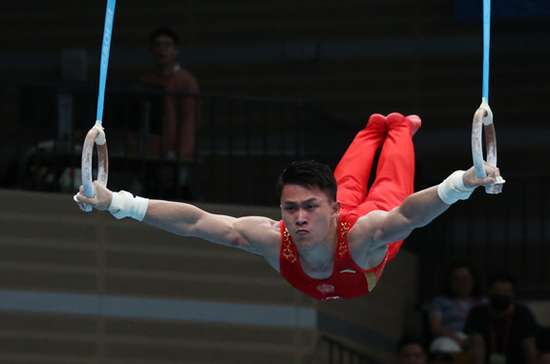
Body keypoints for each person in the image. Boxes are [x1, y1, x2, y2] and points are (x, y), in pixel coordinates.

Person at [74, 112, 504, 301]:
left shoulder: (363, 234)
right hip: (342, 216)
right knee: (348, 179)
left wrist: (464, 181)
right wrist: (119, 202)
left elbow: (411, 214)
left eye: (310, 207)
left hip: (366, 235)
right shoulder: (270, 238)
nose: (299, 217)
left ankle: (399, 129)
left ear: (331, 210)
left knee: (389, 186)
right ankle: (372, 130)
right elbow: (196, 221)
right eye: (290, 208)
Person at [138, 27, 199, 160]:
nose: (162, 49)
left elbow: (188, 118)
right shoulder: (147, 80)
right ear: (151, 50)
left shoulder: (186, 80)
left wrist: (183, 152)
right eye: (157, 45)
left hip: (174, 151)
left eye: (167, 45)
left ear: (176, 50)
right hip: (149, 149)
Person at [464, 272, 539, 364]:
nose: (501, 294)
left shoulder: (523, 314)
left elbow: (529, 349)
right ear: (488, 293)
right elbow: (477, 347)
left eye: (506, 292)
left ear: (513, 294)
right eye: (496, 291)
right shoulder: (478, 313)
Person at [428, 262, 485, 353]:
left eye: (465, 279)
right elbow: (435, 326)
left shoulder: (483, 302)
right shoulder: (440, 301)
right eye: (456, 279)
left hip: (479, 339)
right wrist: (456, 339)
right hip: (450, 338)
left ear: (473, 281)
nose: (461, 283)